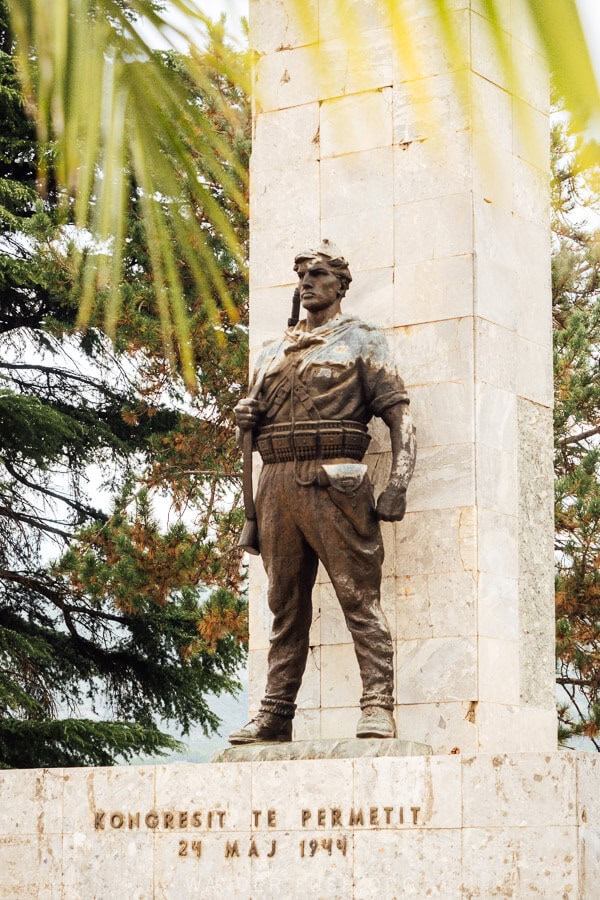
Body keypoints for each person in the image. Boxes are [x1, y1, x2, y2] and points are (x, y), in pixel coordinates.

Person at [229, 241, 416, 743]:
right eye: (302, 276)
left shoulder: (362, 341)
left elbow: (399, 416)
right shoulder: (272, 352)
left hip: (336, 480)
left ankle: (377, 704)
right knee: (284, 604)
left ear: (340, 284)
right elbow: (253, 421)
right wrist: (246, 417)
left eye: (318, 274)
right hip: (277, 483)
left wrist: (398, 483)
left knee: (358, 597)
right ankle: (275, 713)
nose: (307, 282)